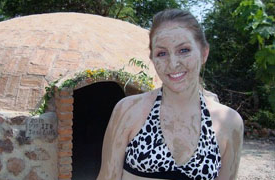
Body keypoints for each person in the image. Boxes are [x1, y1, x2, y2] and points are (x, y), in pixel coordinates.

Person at [97, 9, 244, 180]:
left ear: (204, 53)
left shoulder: (230, 122)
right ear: (152, 59)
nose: (173, 64)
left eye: (184, 50)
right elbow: (108, 176)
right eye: (162, 53)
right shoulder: (128, 110)